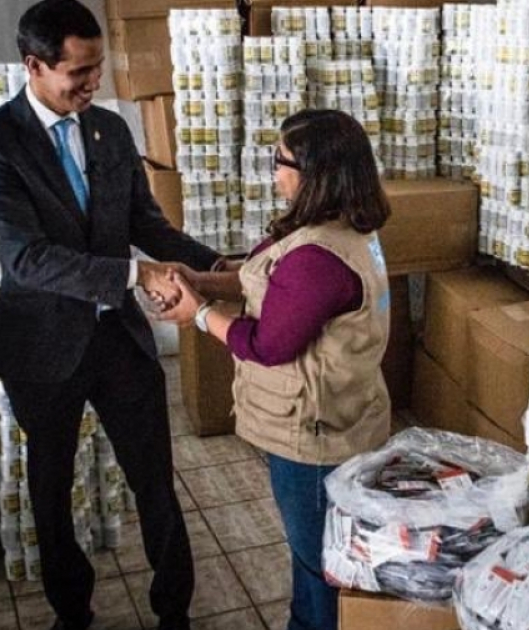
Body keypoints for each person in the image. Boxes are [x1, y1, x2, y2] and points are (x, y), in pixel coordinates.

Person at [0, 2, 225, 628]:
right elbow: (27, 259)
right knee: (51, 491)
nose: (93, 84)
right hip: (43, 346)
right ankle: (72, 612)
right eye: (79, 72)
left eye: (98, 67)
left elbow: (145, 225)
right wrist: (137, 275)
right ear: (34, 65)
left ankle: (174, 612)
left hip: (118, 341)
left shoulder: (109, 130)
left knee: (156, 482)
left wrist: (226, 267)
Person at [157, 109, 393, 630]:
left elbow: (268, 344)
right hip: (342, 416)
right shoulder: (336, 228)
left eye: (280, 161)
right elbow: (272, 284)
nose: (274, 172)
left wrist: (196, 313)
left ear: (315, 173)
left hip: (315, 439)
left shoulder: (320, 257)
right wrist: (204, 280)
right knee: (314, 558)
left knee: (318, 565)